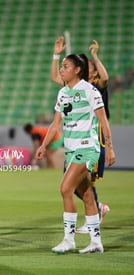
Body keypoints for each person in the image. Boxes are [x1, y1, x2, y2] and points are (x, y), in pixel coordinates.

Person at [36, 52, 116, 254]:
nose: (61, 69)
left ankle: (69, 239)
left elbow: (103, 120)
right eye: (61, 66)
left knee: (65, 189)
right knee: (87, 195)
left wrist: (110, 147)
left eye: (65, 66)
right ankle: (96, 243)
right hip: (71, 149)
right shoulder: (63, 93)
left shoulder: (90, 91)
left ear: (77, 69)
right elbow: (55, 124)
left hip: (87, 147)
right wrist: (44, 145)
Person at [51, 37, 111, 233]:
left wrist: (95, 56)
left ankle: (91, 218)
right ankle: (96, 211)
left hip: (93, 136)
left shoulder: (93, 87)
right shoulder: (72, 88)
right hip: (75, 140)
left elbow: (106, 78)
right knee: (76, 184)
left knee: (75, 183)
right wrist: (56, 55)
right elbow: (55, 78)